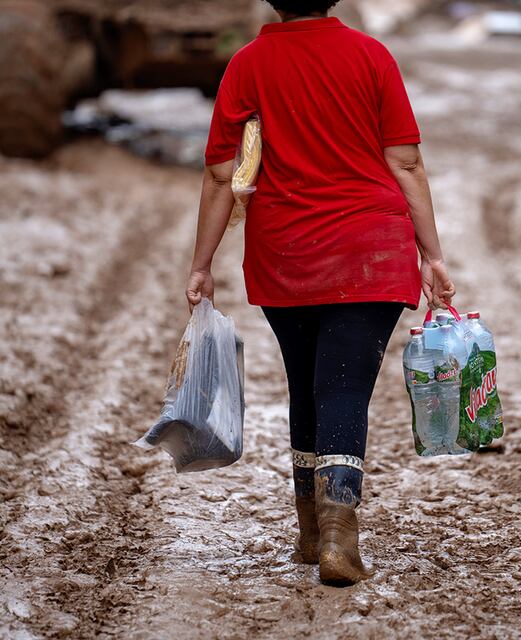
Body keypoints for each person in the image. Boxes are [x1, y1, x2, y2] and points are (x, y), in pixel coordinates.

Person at [185, 0, 455, 586]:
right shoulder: (372, 57)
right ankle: (337, 534)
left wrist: (202, 264)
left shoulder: (248, 65)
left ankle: (311, 531)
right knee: (344, 387)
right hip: (371, 250)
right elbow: (405, 162)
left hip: (286, 252)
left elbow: (220, 174)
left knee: (307, 382)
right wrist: (432, 253)